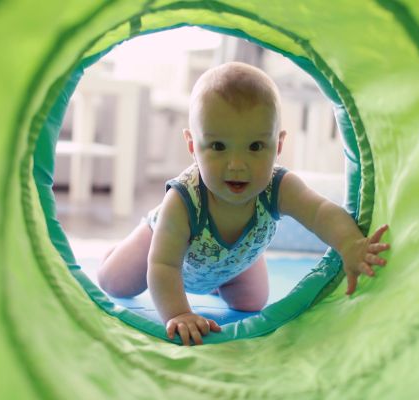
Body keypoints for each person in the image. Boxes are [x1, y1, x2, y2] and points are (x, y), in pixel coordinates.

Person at [98, 61, 390, 345]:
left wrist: (350, 244)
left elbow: (321, 212)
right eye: (218, 146)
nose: (237, 165)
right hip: (162, 250)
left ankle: (218, 281)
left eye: (255, 147)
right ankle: (117, 252)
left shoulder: (279, 187)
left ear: (278, 145)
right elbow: (163, 265)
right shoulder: (183, 199)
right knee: (115, 281)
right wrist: (180, 313)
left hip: (235, 259)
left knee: (252, 302)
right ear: (192, 146)